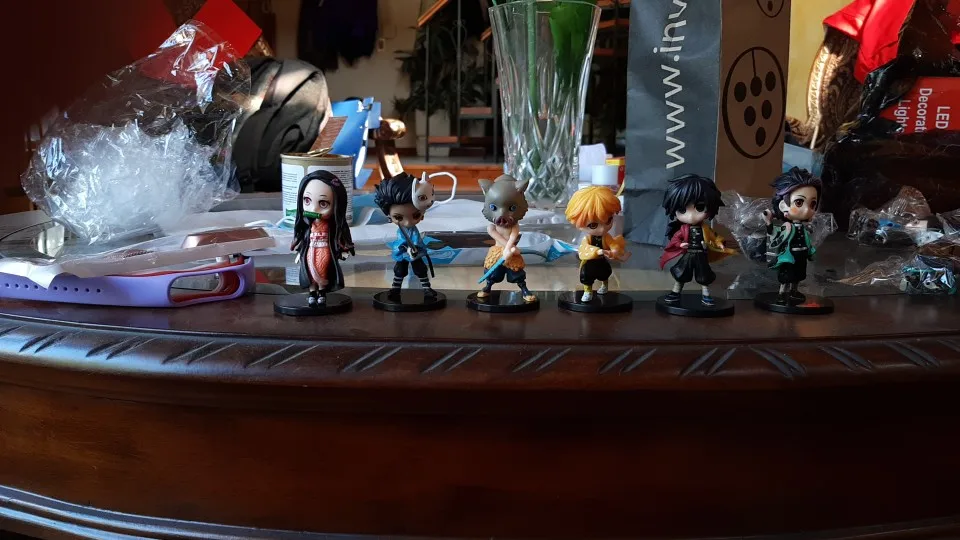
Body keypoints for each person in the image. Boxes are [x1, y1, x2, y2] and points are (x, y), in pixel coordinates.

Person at [659, 174, 732, 307]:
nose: (691, 216)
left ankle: (706, 295)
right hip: (689, 254)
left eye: (700, 208)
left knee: (704, 276)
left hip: (701, 255)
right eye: (682, 209)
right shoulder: (683, 229)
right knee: (681, 273)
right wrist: (680, 244)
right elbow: (675, 239)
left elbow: (716, 237)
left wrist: (719, 243)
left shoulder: (706, 229)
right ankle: (675, 292)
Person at [291, 170, 354, 307]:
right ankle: (312, 293)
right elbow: (303, 238)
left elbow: (338, 237)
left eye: (323, 204)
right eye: (307, 201)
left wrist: (343, 249)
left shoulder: (330, 226)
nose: (314, 209)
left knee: (322, 269)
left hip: (324, 248)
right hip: (310, 249)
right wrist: (300, 251)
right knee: (309, 270)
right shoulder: (308, 224)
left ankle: (322, 292)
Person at [763, 167, 822, 304]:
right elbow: (775, 235)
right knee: (787, 276)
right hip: (789, 256)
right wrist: (768, 223)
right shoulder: (787, 227)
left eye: (812, 204)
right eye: (799, 202)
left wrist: (810, 251)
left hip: (801, 255)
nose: (807, 209)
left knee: (799, 275)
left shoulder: (804, 229)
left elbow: (807, 241)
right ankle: (782, 293)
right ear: (783, 205)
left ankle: (794, 291)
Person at [375, 172, 437, 299]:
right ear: (389, 216)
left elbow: (418, 241)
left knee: (420, 270)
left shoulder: (414, 232)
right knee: (399, 270)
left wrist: (416, 249)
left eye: (416, 215)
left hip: (415, 253)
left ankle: (427, 289)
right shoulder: (401, 232)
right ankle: (395, 289)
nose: (408, 222)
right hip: (402, 254)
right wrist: (403, 248)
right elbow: (398, 243)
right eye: (398, 217)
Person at [565, 186, 630, 302]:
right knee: (586, 276)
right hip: (590, 262)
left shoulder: (606, 237)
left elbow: (613, 244)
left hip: (601, 261)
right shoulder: (587, 238)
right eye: (593, 225)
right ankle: (588, 291)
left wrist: (615, 250)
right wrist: (598, 251)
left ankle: (604, 285)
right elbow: (583, 249)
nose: (602, 229)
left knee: (605, 273)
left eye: (608, 221)